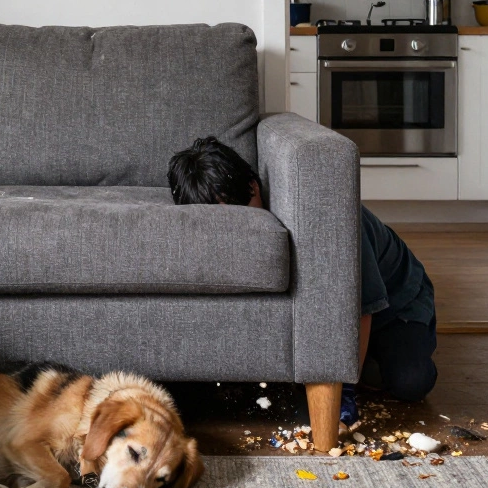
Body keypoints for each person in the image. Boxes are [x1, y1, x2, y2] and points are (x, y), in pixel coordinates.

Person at [167, 137, 438, 428]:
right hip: (326, 310)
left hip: (394, 304)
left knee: (411, 382)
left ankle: (380, 356)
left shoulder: (330, 219)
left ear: (253, 187)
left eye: (241, 216)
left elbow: (363, 306)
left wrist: (344, 387)